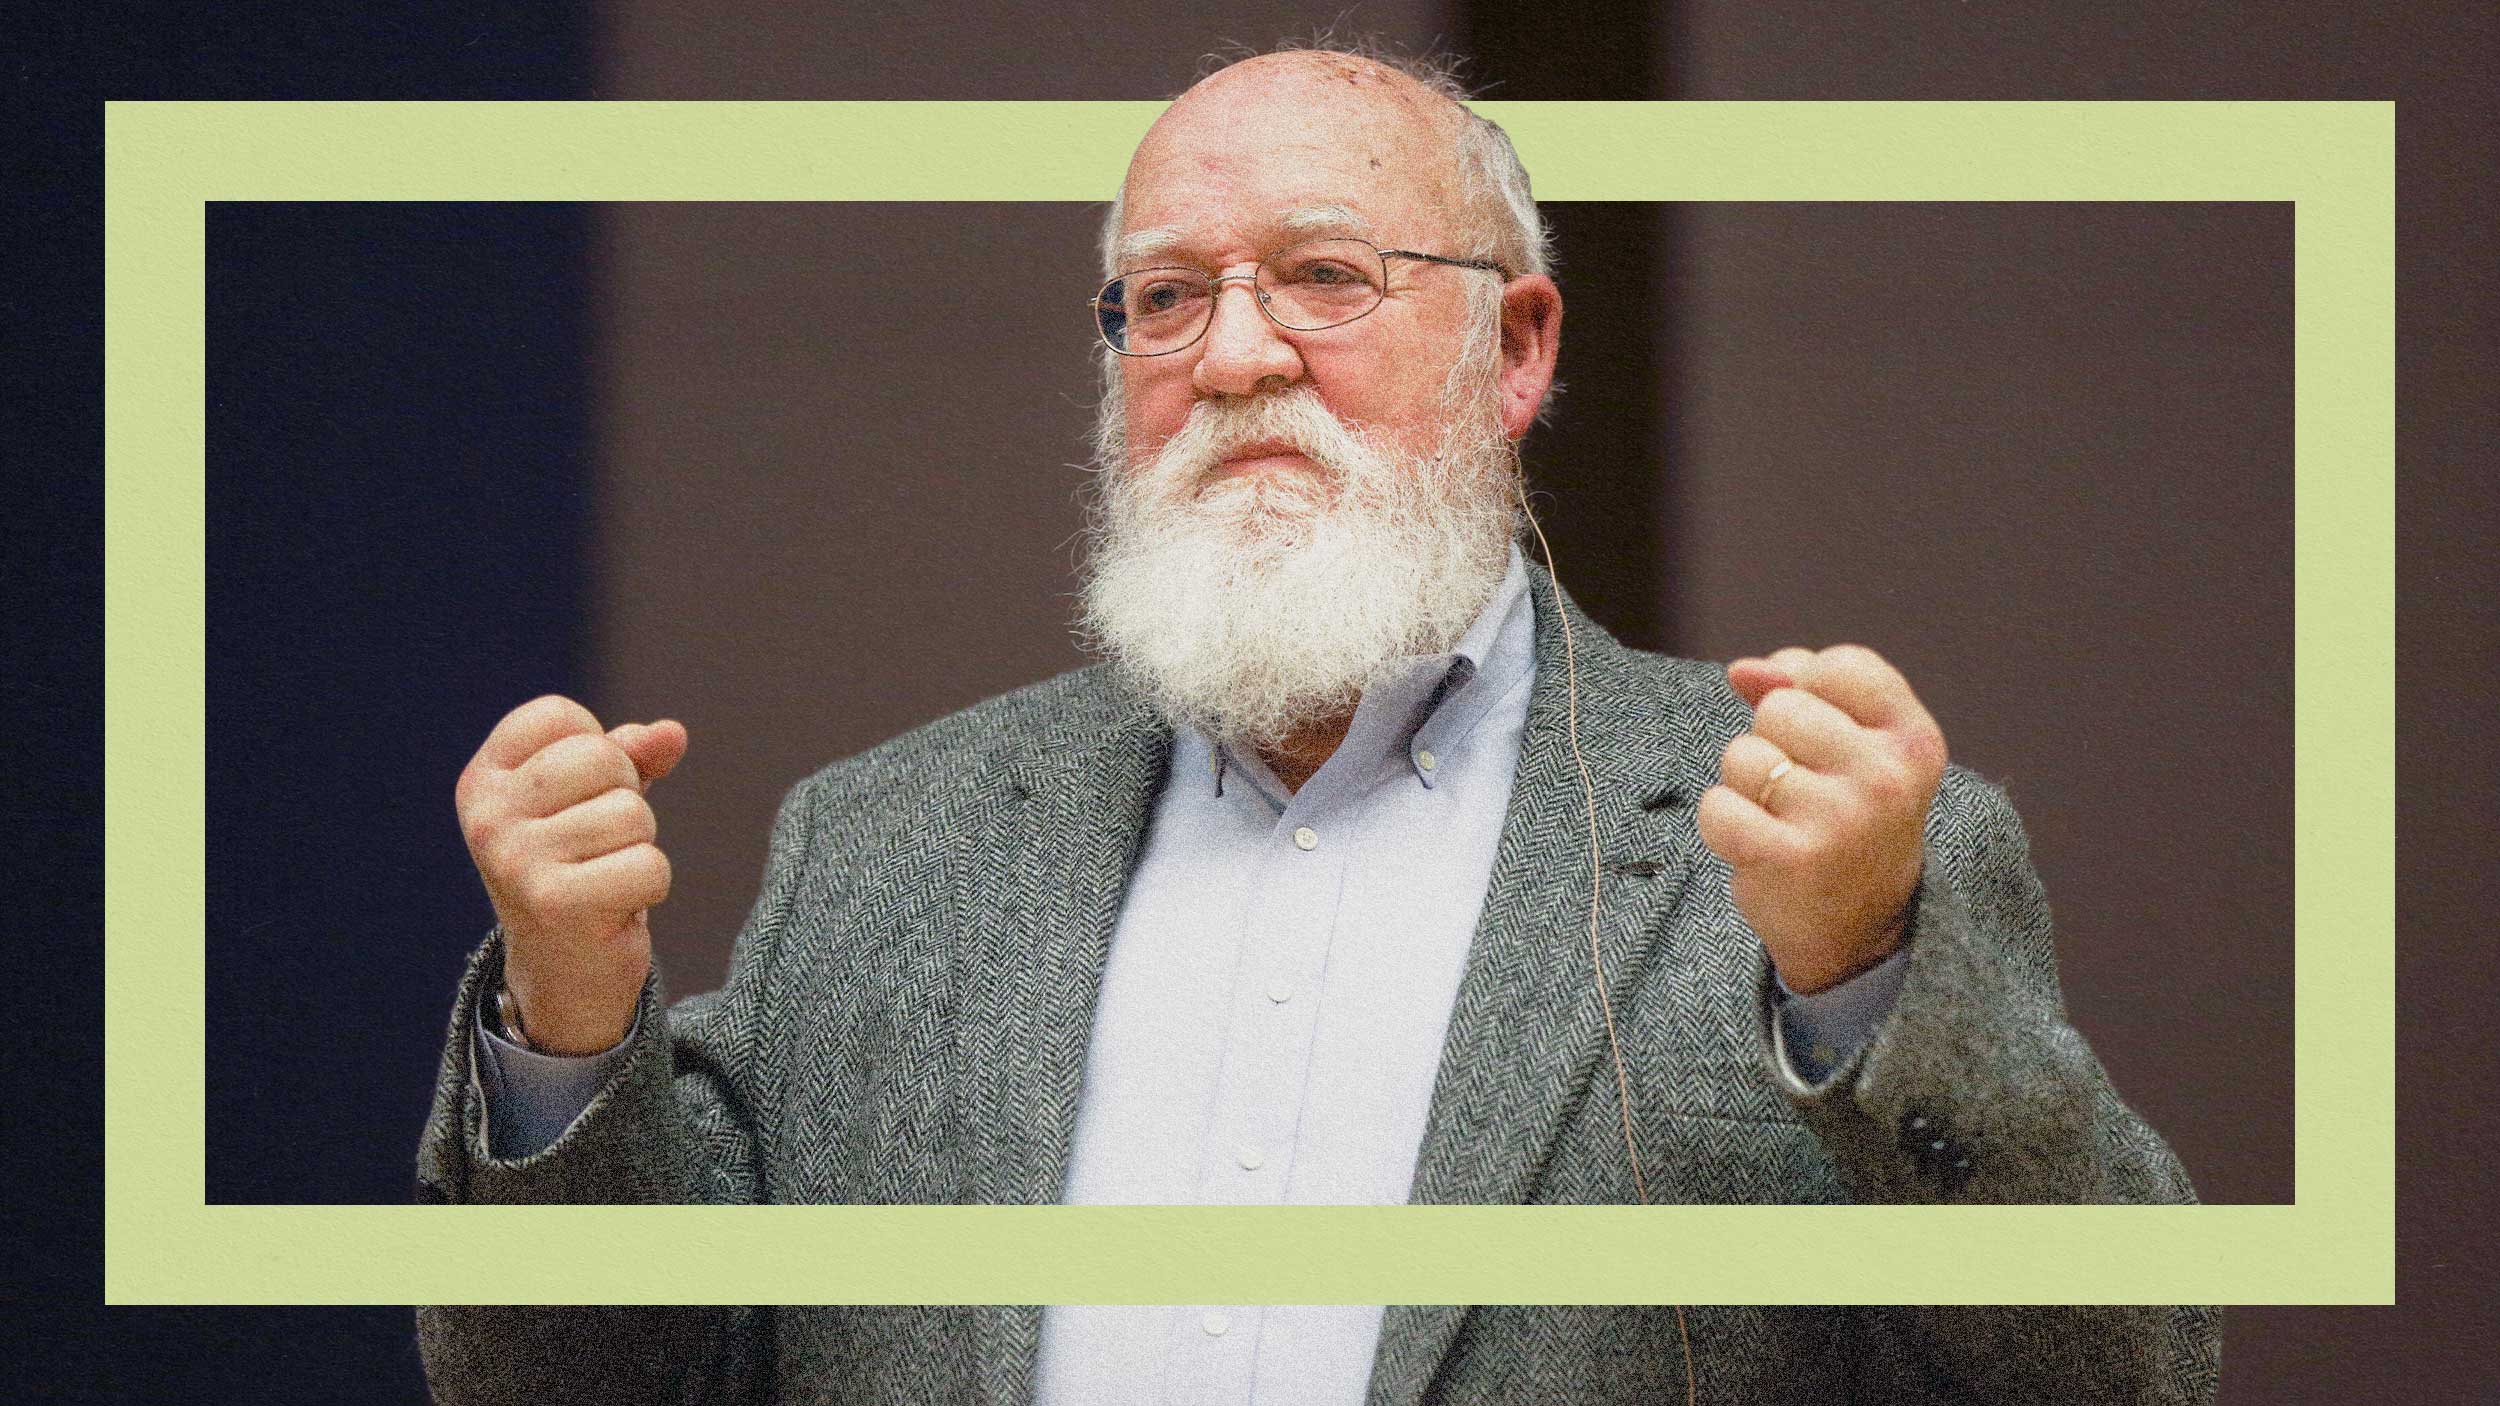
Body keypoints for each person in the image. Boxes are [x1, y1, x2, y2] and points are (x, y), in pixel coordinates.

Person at [416, 43, 2219, 1406]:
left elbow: (2121, 1366)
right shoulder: (887, 845)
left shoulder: (1813, 841)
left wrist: (1861, 985)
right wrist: (569, 1010)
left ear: (1515, 350)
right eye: (1169, 298)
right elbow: (584, 1381)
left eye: (1327, 278)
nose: (1237, 355)